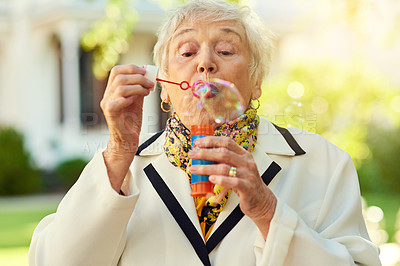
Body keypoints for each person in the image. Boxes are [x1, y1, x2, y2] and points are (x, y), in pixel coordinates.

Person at [29, 0, 381, 265]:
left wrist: (267, 211)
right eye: (187, 51)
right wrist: (120, 150)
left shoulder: (325, 164)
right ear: (164, 88)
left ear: (256, 82)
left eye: (226, 50)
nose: (205, 62)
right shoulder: (121, 170)